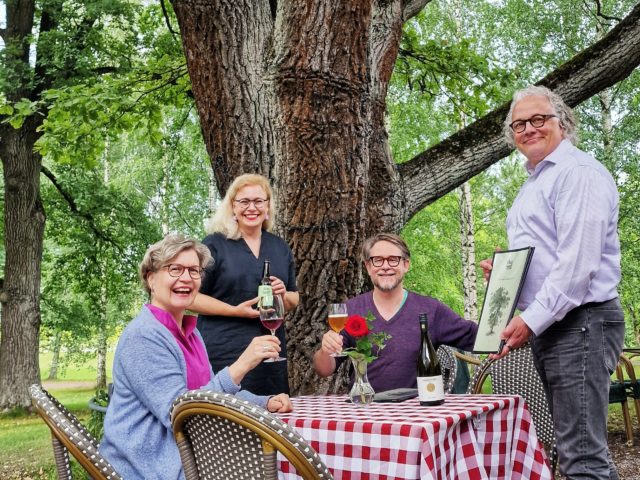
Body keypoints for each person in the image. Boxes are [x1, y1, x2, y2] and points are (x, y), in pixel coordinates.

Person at [480, 85, 625, 480]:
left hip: (582, 321)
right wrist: (509, 278)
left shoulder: (577, 173)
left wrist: (529, 320)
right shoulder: (535, 183)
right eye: (519, 124)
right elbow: (551, 257)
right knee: (575, 448)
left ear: (562, 122)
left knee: (581, 456)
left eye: (538, 119)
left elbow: (578, 266)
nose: (528, 129)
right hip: (560, 324)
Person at [100, 234, 292, 479]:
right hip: (148, 467)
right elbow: (181, 413)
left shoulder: (191, 333)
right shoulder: (144, 336)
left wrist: (264, 402)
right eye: (175, 269)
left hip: (188, 457)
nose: (186, 278)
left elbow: (209, 392)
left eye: (194, 271)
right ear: (151, 279)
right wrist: (241, 366)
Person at [313, 233, 477, 392]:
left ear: (406, 265)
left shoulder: (431, 310)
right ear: (368, 267)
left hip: (417, 413)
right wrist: (325, 350)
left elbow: (482, 337)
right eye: (377, 260)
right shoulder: (350, 310)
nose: (385, 266)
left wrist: (498, 285)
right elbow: (324, 370)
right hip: (366, 410)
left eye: (393, 259)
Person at [191, 174, 299, 396]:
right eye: (244, 201)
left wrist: (283, 295)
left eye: (259, 201)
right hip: (223, 352)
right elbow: (191, 298)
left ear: (268, 206)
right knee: (224, 418)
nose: (252, 207)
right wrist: (234, 311)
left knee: (269, 420)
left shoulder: (279, 247)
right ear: (232, 207)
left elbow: (294, 299)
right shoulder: (214, 244)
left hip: (270, 354)